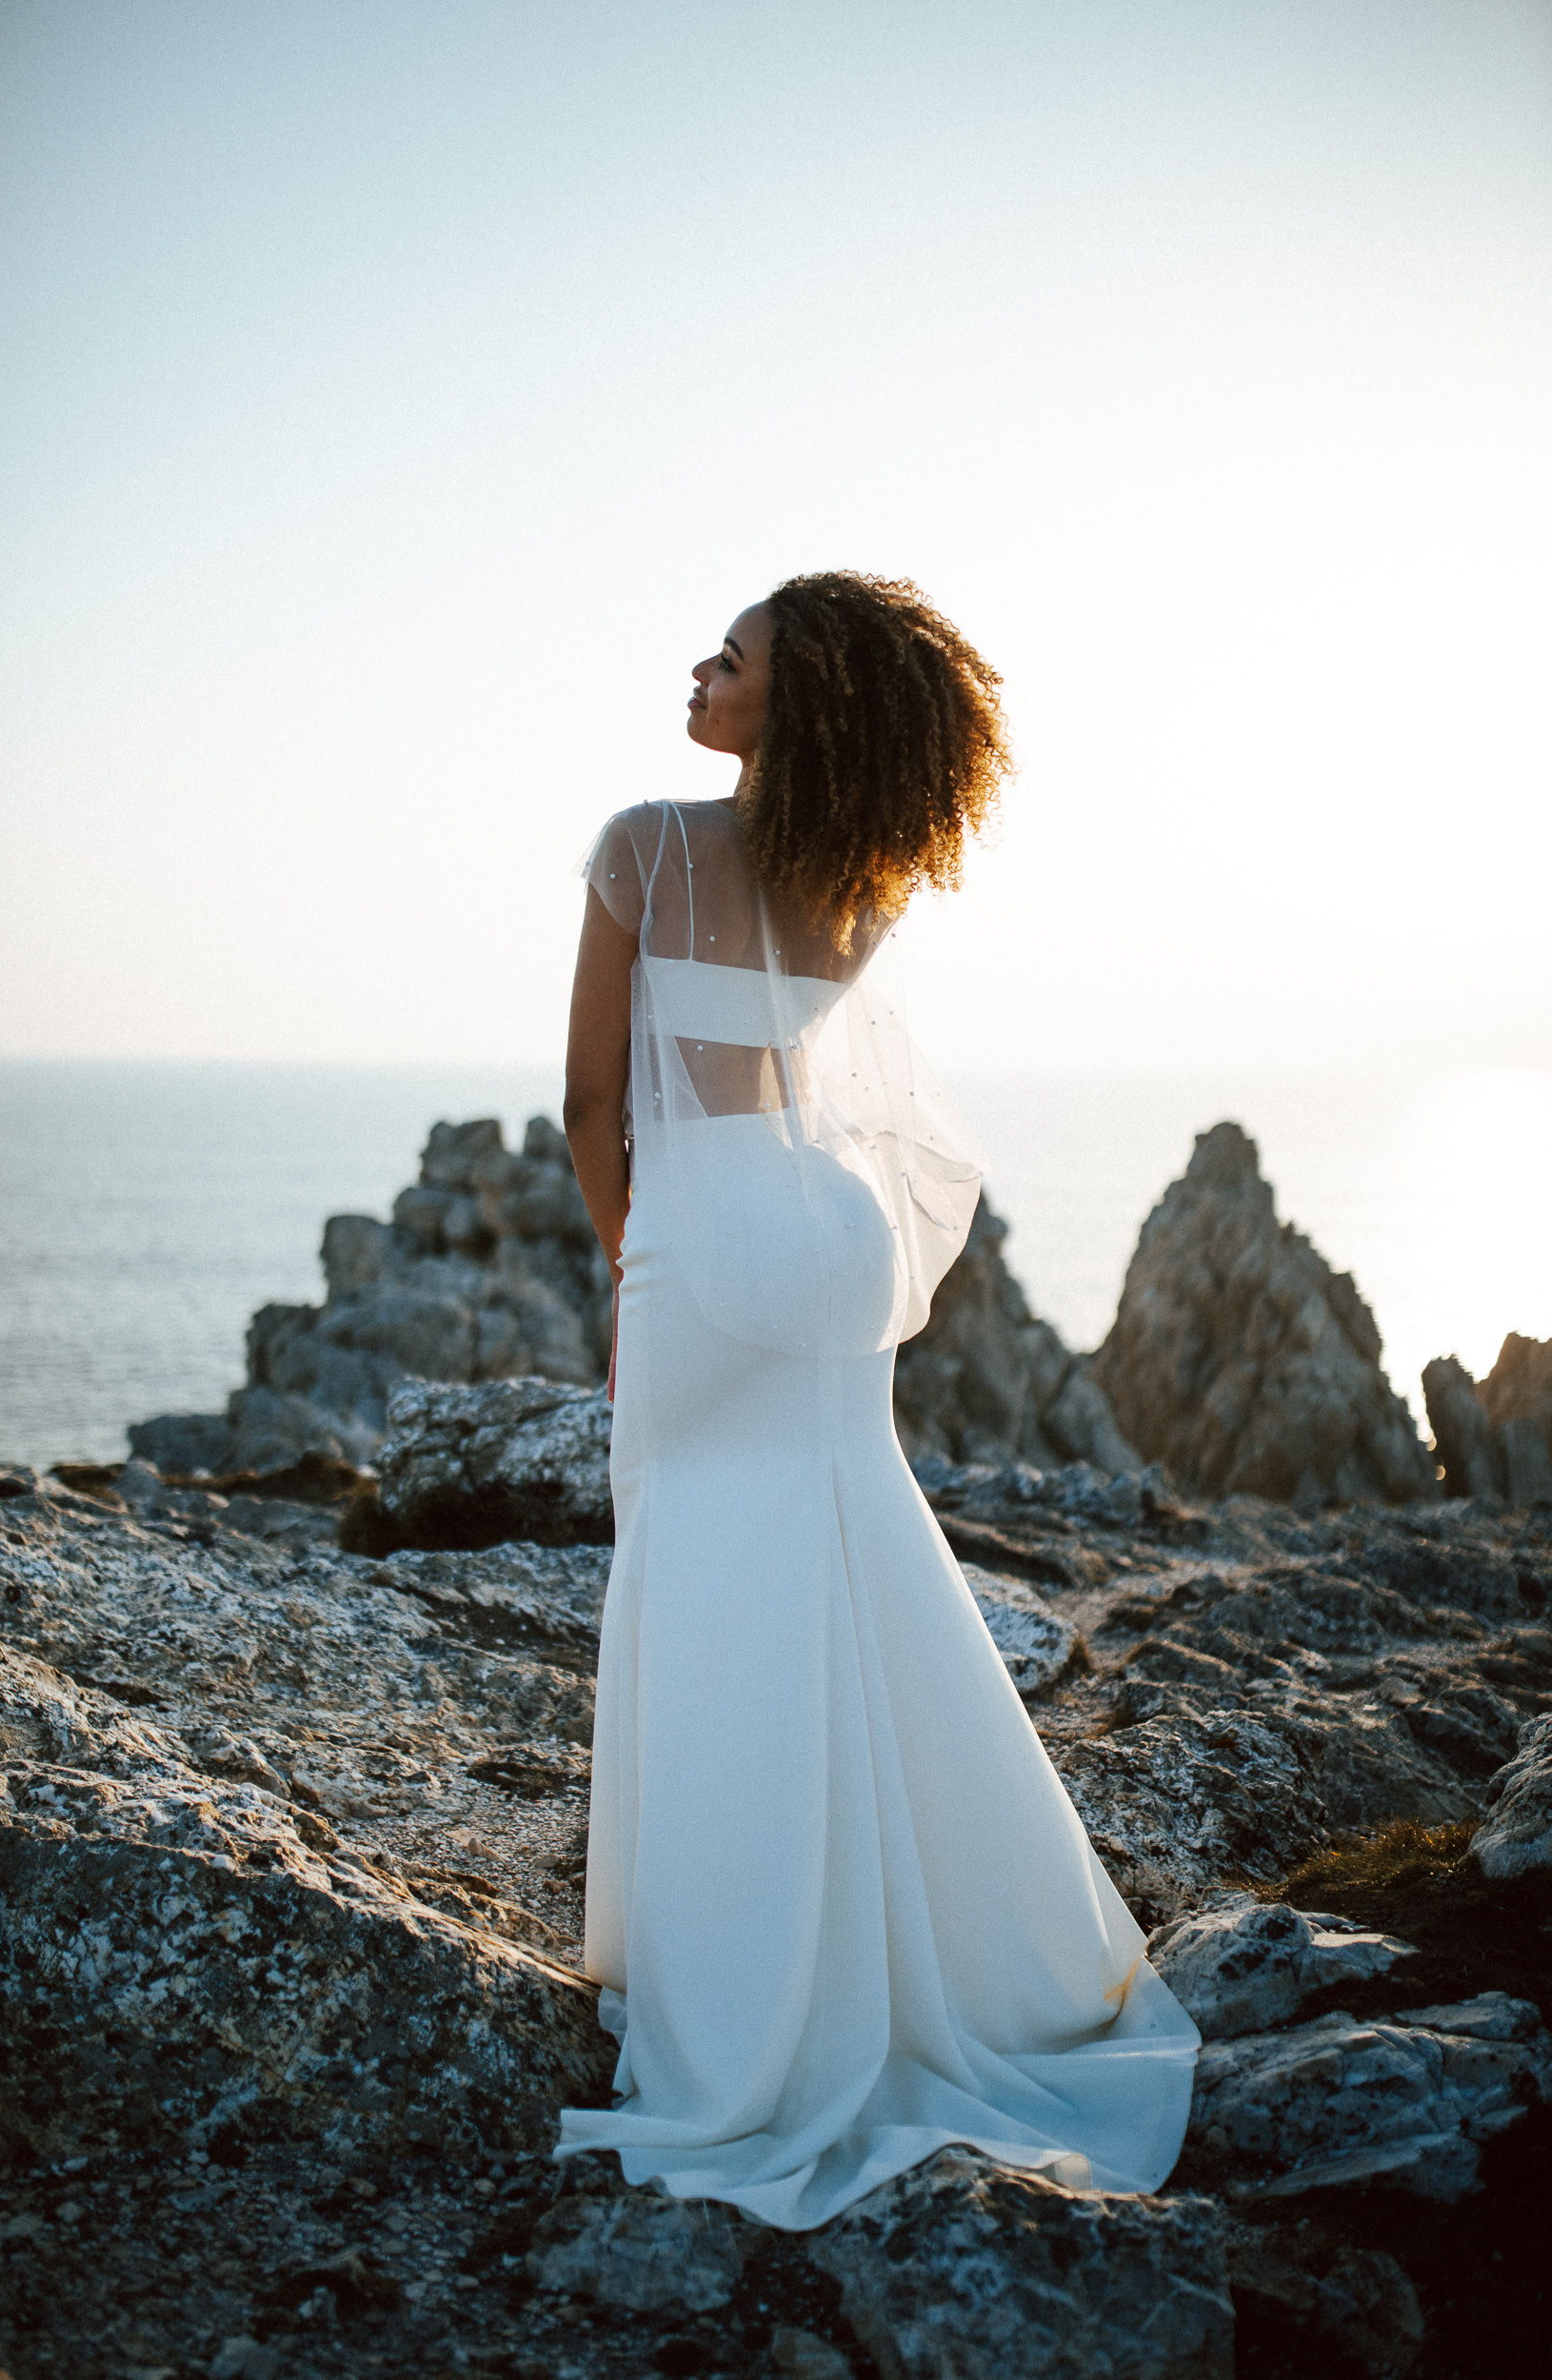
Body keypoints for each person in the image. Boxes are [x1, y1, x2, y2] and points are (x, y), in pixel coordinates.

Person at [557, 570, 1198, 2230]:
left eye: (734, 655)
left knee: (702, 1572)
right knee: (850, 1558)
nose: (700, 668)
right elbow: (800, 1080)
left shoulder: (641, 842)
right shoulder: (866, 886)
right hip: (833, 1235)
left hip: (709, 1240)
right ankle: (985, 1954)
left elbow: (589, 1103)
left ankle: (716, 1963)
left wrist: (644, 1267)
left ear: (800, 701)